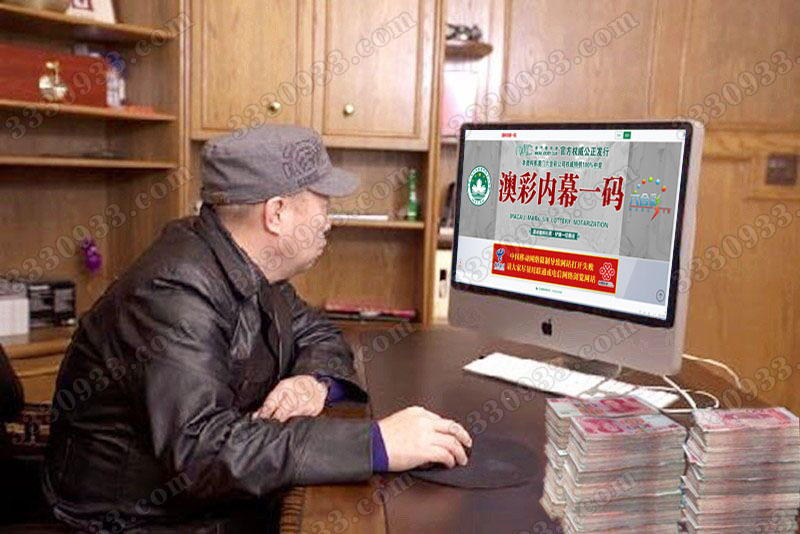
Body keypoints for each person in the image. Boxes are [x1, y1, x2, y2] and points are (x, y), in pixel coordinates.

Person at [43, 126, 471, 532]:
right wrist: (375, 444)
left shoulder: (248, 264)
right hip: (144, 521)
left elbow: (319, 334)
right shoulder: (174, 293)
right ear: (277, 213)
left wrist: (313, 382)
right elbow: (203, 453)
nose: (329, 220)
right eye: (322, 202)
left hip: (211, 505)